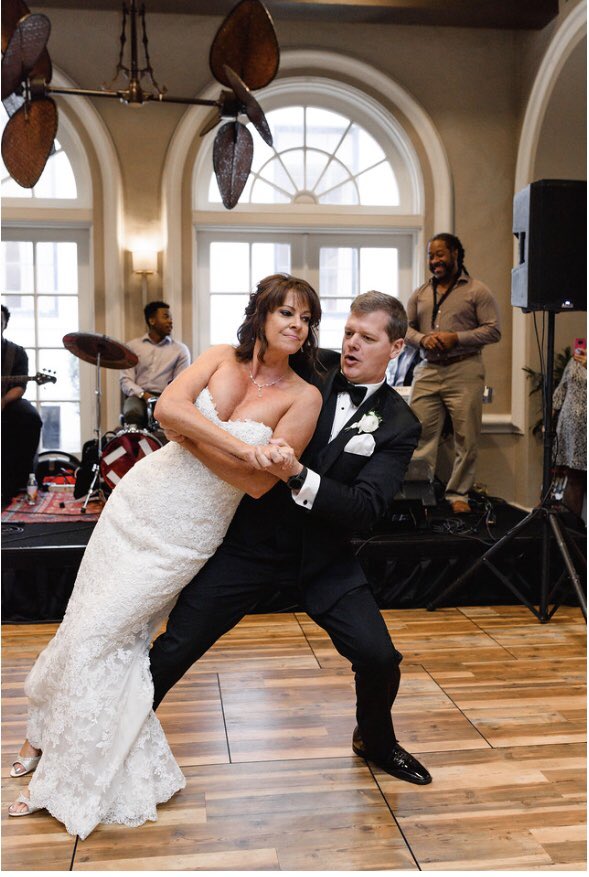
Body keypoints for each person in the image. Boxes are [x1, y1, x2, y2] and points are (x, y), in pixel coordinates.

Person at [8, 274, 323, 838]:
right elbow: (166, 414)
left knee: (106, 633)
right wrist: (244, 448)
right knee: (82, 625)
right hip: (136, 504)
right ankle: (41, 735)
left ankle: (63, 770)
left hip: (186, 532)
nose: (297, 325)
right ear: (261, 315)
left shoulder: (304, 397)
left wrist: (204, 440)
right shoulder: (217, 356)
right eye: (287, 313)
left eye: (305, 317)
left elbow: (256, 487)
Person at [148, 290, 432, 787]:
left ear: (396, 347)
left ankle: (375, 740)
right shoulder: (309, 368)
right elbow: (259, 346)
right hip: (252, 545)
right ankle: (115, 729)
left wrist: (300, 475)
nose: (351, 345)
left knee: (379, 658)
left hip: (325, 558)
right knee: (175, 647)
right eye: (347, 333)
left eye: (367, 338)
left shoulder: (400, 423)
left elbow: (366, 510)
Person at [405, 234, 501, 514]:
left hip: (465, 368)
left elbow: (493, 330)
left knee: (465, 437)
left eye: (440, 255)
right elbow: (404, 329)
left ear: (457, 253)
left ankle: (458, 495)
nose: (434, 261)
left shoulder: (477, 291)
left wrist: (456, 338)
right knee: (419, 434)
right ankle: (418, 495)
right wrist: (422, 340)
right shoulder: (421, 293)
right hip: (428, 369)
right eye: (430, 256)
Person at [120, 300, 191, 428]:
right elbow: (126, 380)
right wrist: (144, 395)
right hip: (138, 396)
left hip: (166, 397)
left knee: (175, 415)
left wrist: (162, 400)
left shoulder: (180, 350)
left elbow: (180, 383)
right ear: (152, 321)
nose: (170, 321)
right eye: (166, 316)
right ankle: (135, 446)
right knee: (132, 412)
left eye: (171, 317)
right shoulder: (132, 347)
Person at [1, 303, 43, 503]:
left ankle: (20, 478)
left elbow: (19, 386)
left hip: (6, 400)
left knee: (30, 417)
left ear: (5, 324)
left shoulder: (15, 352)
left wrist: (3, 401)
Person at [553, 344, 587, 517]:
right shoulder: (578, 357)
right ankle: (574, 530)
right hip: (570, 427)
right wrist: (552, 416)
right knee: (573, 476)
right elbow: (563, 387)